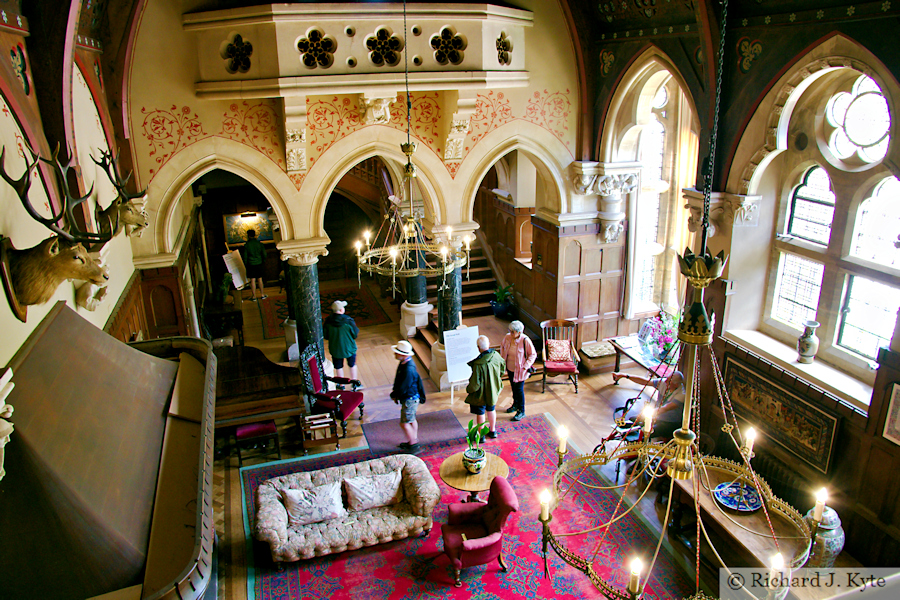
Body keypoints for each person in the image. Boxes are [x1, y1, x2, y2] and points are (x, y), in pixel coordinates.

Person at [612, 370, 685, 439]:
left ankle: (638, 449)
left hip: (669, 423)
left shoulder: (681, 394)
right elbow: (646, 381)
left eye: (669, 381)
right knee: (632, 420)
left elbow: (664, 408)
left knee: (646, 433)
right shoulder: (664, 383)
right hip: (656, 417)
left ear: (676, 384)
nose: (665, 381)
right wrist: (625, 376)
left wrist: (645, 415)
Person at [465, 335, 505, 438]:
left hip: (481, 393)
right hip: (493, 389)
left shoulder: (478, 364)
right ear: (489, 344)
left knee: (481, 412)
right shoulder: (496, 355)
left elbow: (475, 384)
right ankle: (493, 431)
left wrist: (469, 389)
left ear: (478, 347)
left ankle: (481, 435)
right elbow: (502, 368)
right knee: (491, 409)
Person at [390, 340, 426, 451]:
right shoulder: (405, 364)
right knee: (411, 419)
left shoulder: (408, 370)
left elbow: (403, 387)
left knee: (404, 423)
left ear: (403, 355)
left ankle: (413, 444)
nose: (395, 354)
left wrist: (395, 394)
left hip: (410, 398)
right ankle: (413, 440)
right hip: (411, 397)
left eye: (397, 352)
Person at [500, 320, 537, 422]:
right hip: (510, 368)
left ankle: (521, 411)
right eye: (510, 330)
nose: (510, 333)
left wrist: (525, 366)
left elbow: (533, 354)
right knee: (513, 387)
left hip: (521, 371)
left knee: (519, 390)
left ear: (519, 332)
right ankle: (515, 404)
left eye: (513, 332)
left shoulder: (525, 340)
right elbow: (502, 347)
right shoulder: (507, 337)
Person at [323, 300, 360, 381]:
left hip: (335, 348)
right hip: (349, 348)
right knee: (352, 365)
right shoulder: (349, 321)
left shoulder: (328, 321)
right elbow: (355, 334)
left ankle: (341, 384)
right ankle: (354, 383)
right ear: (341, 310)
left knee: (338, 366)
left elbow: (326, 336)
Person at [241, 228, 268, 301]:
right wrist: (263, 261)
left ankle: (254, 296)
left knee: (252, 280)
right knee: (260, 279)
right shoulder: (259, 244)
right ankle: (262, 294)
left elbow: (245, 257)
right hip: (259, 263)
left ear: (248, 235)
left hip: (251, 264)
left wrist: (246, 264)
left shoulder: (247, 245)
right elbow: (264, 254)